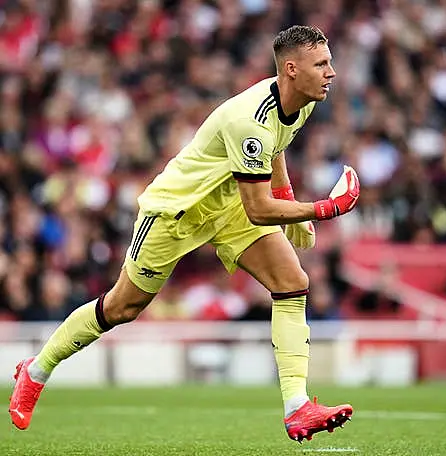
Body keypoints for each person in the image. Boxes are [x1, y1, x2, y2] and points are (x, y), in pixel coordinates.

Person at [9, 25, 359, 443]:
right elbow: (260, 208)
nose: (331, 72)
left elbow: (277, 148)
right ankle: (34, 371)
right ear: (291, 69)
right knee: (122, 307)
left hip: (228, 205)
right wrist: (323, 209)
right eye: (322, 64)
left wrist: (290, 200)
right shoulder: (250, 119)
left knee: (292, 282)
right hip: (176, 210)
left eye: (329, 62)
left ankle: (296, 407)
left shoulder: (302, 100)